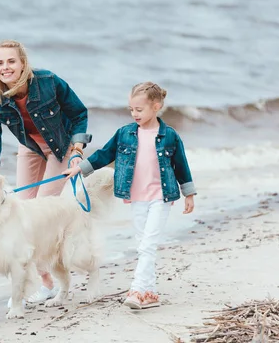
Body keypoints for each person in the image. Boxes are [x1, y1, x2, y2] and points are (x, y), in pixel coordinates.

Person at [62, 81, 196, 310]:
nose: (134, 114)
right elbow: (104, 154)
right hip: (136, 197)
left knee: (148, 244)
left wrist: (189, 194)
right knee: (142, 242)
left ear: (156, 106)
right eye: (131, 109)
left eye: (139, 109)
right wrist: (80, 169)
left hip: (161, 197)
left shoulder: (170, 136)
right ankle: (151, 293)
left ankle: (135, 289)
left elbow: (181, 165)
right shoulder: (124, 134)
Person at [0, 39, 92, 304]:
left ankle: (53, 277)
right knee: (20, 212)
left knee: (40, 212)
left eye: (11, 61)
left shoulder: (49, 82)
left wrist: (77, 151)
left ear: (22, 63)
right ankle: (44, 283)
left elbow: (79, 113)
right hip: (29, 148)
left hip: (61, 147)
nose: (5, 67)